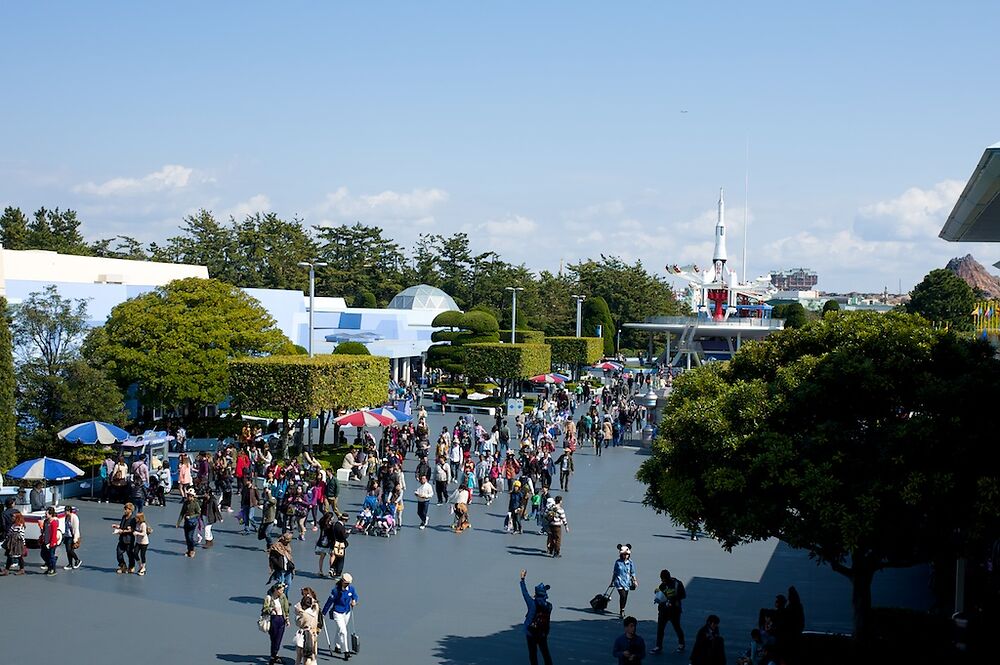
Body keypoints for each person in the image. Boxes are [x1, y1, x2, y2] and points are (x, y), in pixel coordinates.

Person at [322, 572, 359, 661]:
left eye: (349, 583)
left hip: (347, 612)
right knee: (343, 631)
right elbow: (329, 602)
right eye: (346, 583)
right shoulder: (335, 591)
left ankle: (337, 645)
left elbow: (355, 596)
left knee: (340, 629)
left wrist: (354, 601)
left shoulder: (351, 589)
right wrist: (323, 613)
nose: (347, 585)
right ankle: (346, 651)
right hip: (337, 612)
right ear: (342, 581)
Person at [519, 569, 553, 665]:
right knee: (545, 653)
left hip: (531, 632)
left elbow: (524, 592)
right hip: (542, 633)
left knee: (533, 653)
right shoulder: (549, 606)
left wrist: (522, 579)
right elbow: (542, 600)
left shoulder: (531, 603)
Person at [651, 569, 686, 654]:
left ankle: (681, 644)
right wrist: (658, 598)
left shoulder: (677, 584)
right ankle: (658, 646)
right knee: (660, 629)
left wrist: (673, 599)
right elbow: (659, 596)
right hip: (663, 611)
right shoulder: (662, 585)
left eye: (662, 578)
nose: (662, 580)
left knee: (677, 627)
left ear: (667, 577)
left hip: (674, 611)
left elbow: (683, 595)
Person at [262, 582, 290, 665]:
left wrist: (287, 618)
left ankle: (274, 656)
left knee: (279, 638)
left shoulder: (283, 597)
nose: (282, 591)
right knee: (273, 638)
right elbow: (264, 609)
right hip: (273, 619)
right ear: (276, 590)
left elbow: (286, 607)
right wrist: (271, 609)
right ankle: (274, 656)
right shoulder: (268, 598)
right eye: (281, 590)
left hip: (281, 619)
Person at [294, 588, 321, 665]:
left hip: (303, 635)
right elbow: (316, 606)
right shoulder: (315, 611)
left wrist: (300, 611)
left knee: (300, 656)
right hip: (313, 634)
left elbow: (298, 622)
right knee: (311, 655)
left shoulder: (303, 615)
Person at [612, 544, 638, 619]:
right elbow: (615, 572)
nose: (625, 556)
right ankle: (622, 610)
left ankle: (622, 608)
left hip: (627, 582)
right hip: (619, 582)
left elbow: (632, 572)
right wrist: (612, 581)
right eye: (624, 554)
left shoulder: (630, 562)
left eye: (627, 554)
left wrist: (635, 581)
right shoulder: (617, 562)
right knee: (622, 595)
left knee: (625, 596)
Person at [175, 488, 201, 558]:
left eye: (190, 496)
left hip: (192, 523)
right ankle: (189, 550)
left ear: (193, 496)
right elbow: (182, 513)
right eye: (188, 495)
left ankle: (192, 550)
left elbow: (198, 513)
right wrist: (178, 522)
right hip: (186, 522)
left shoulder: (196, 503)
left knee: (190, 537)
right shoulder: (186, 503)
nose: (188, 497)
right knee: (187, 537)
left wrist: (191, 516)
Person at [114, 502, 137, 573]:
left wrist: (122, 531)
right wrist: (117, 526)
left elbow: (132, 530)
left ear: (130, 510)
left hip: (129, 540)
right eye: (125, 509)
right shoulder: (124, 517)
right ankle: (123, 566)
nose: (125, 510)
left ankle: (131, 566)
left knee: (130, 554)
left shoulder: (133, 519)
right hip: (122, 539)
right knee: (118, 553)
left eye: (126, 509)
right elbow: (122, 526)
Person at [39, 506, 60, 575]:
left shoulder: (53, 523)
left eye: (46, 514)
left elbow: (54, 533)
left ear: (50, 514)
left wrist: (52, 543)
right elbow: (44, 531)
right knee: (43, 554)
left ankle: (53, 569)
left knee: (51, 556)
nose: (45, 515)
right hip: (45, 541)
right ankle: (49, 566)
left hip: (51, 543)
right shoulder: (45, 522)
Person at [62, 505, 82, 570]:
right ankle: (70, 564)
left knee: (69, 550)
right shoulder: (66, 517)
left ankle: (77, 560)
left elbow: (76, 528)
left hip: (72, 536)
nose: (64, 512)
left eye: (66, 511)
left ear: (69, 511)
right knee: (68, 551)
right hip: (67, 535)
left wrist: (75, 538)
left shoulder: (74, 517)